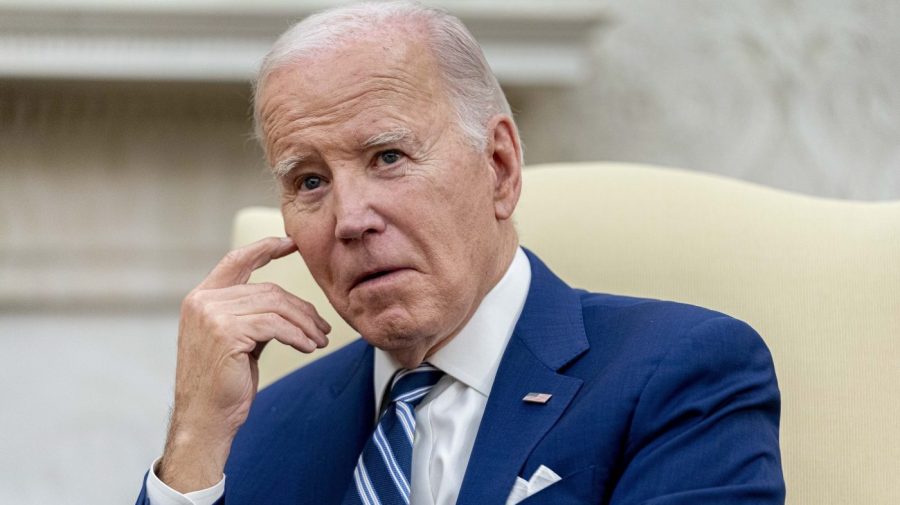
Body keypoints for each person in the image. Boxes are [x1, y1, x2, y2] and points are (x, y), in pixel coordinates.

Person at [135, 2, 785, 504]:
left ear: (499, 167)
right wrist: (194, 436)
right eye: (309, 180)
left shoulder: (682, 373)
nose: (350, 220)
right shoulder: (255, 429)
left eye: (388, 157)